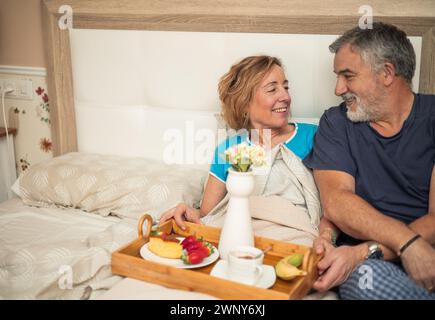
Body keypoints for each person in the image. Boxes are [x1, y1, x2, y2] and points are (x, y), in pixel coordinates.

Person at [303, 22, 435, 299]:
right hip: (370, 267)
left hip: (392, 250)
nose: (339, 89)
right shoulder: (336, 123)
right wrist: (405, 244)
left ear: (387, 73)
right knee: (369, 284)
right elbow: (337, 203)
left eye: (348, 76)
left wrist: (368, 250)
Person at [160, 55, 321, 246]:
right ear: (245, 104)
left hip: (292, 239)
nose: (285, 96)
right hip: (236, 237)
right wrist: (185, 212)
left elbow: (333, 206)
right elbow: (209, 216)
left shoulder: (315, 137)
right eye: (272, 89)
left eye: (285, 87)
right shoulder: (229, 150)